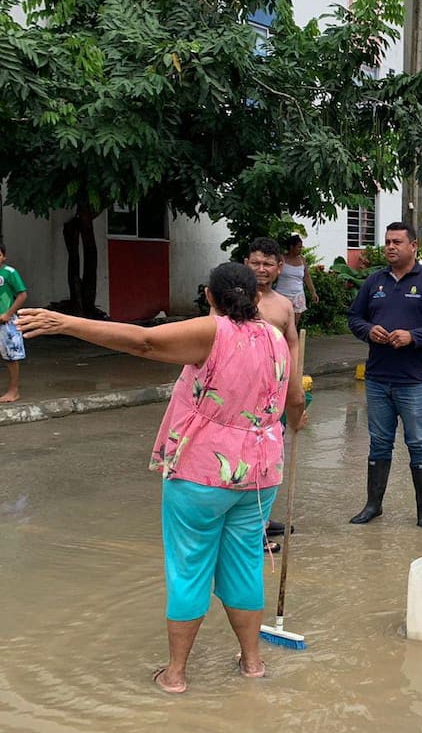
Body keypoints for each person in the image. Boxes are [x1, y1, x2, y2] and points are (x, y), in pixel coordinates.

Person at [18, 263, 305, 693]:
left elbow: (145, 341)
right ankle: (252, 664)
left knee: (189, 567)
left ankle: (175, 675)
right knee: (245, 564)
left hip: (204, 471)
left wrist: (65, 322)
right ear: (256, 296)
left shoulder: (212, 331)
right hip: (261, 474)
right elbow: (295, 400)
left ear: (209, 296)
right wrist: (296, 418)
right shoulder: (276, 338)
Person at [347, 222, 422, 529]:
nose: (390, 247)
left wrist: (414, 336)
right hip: (377, 378)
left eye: (397, 242)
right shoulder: (375, 281)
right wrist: (368, 330)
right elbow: (354, 318)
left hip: (414, 380)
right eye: (387, 242)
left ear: (414, 246)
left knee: (419, 442)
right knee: (379, 442)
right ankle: (373, 505)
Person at [245, 237, 305, 546]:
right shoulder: (234, 301)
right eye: (255, 263)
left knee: (269, 459)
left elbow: (292, 344)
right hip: (240, 397)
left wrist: (295, 385)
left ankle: (262, 519)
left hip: (273, 395)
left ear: (279, 267)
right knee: (244, 461)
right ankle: (249, 530)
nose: (261, 269)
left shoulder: (283, 305)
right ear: (246, 264)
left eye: (268, 264)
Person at [0, 243, 28, 403]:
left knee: (10, 356)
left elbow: (22, 295)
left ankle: (13, 390)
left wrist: (8, 314)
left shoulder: (10, 273)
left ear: (4, 257)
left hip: (6, 321)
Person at [277, 235, 319, 327]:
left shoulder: (302, 259)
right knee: (281, 322)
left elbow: (307, 276)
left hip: (298, 296)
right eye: (299, 247)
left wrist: (313, 292)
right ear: (291, 247)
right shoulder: (281, 258)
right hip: (282, 295)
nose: (300, 249)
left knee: (294, 324)